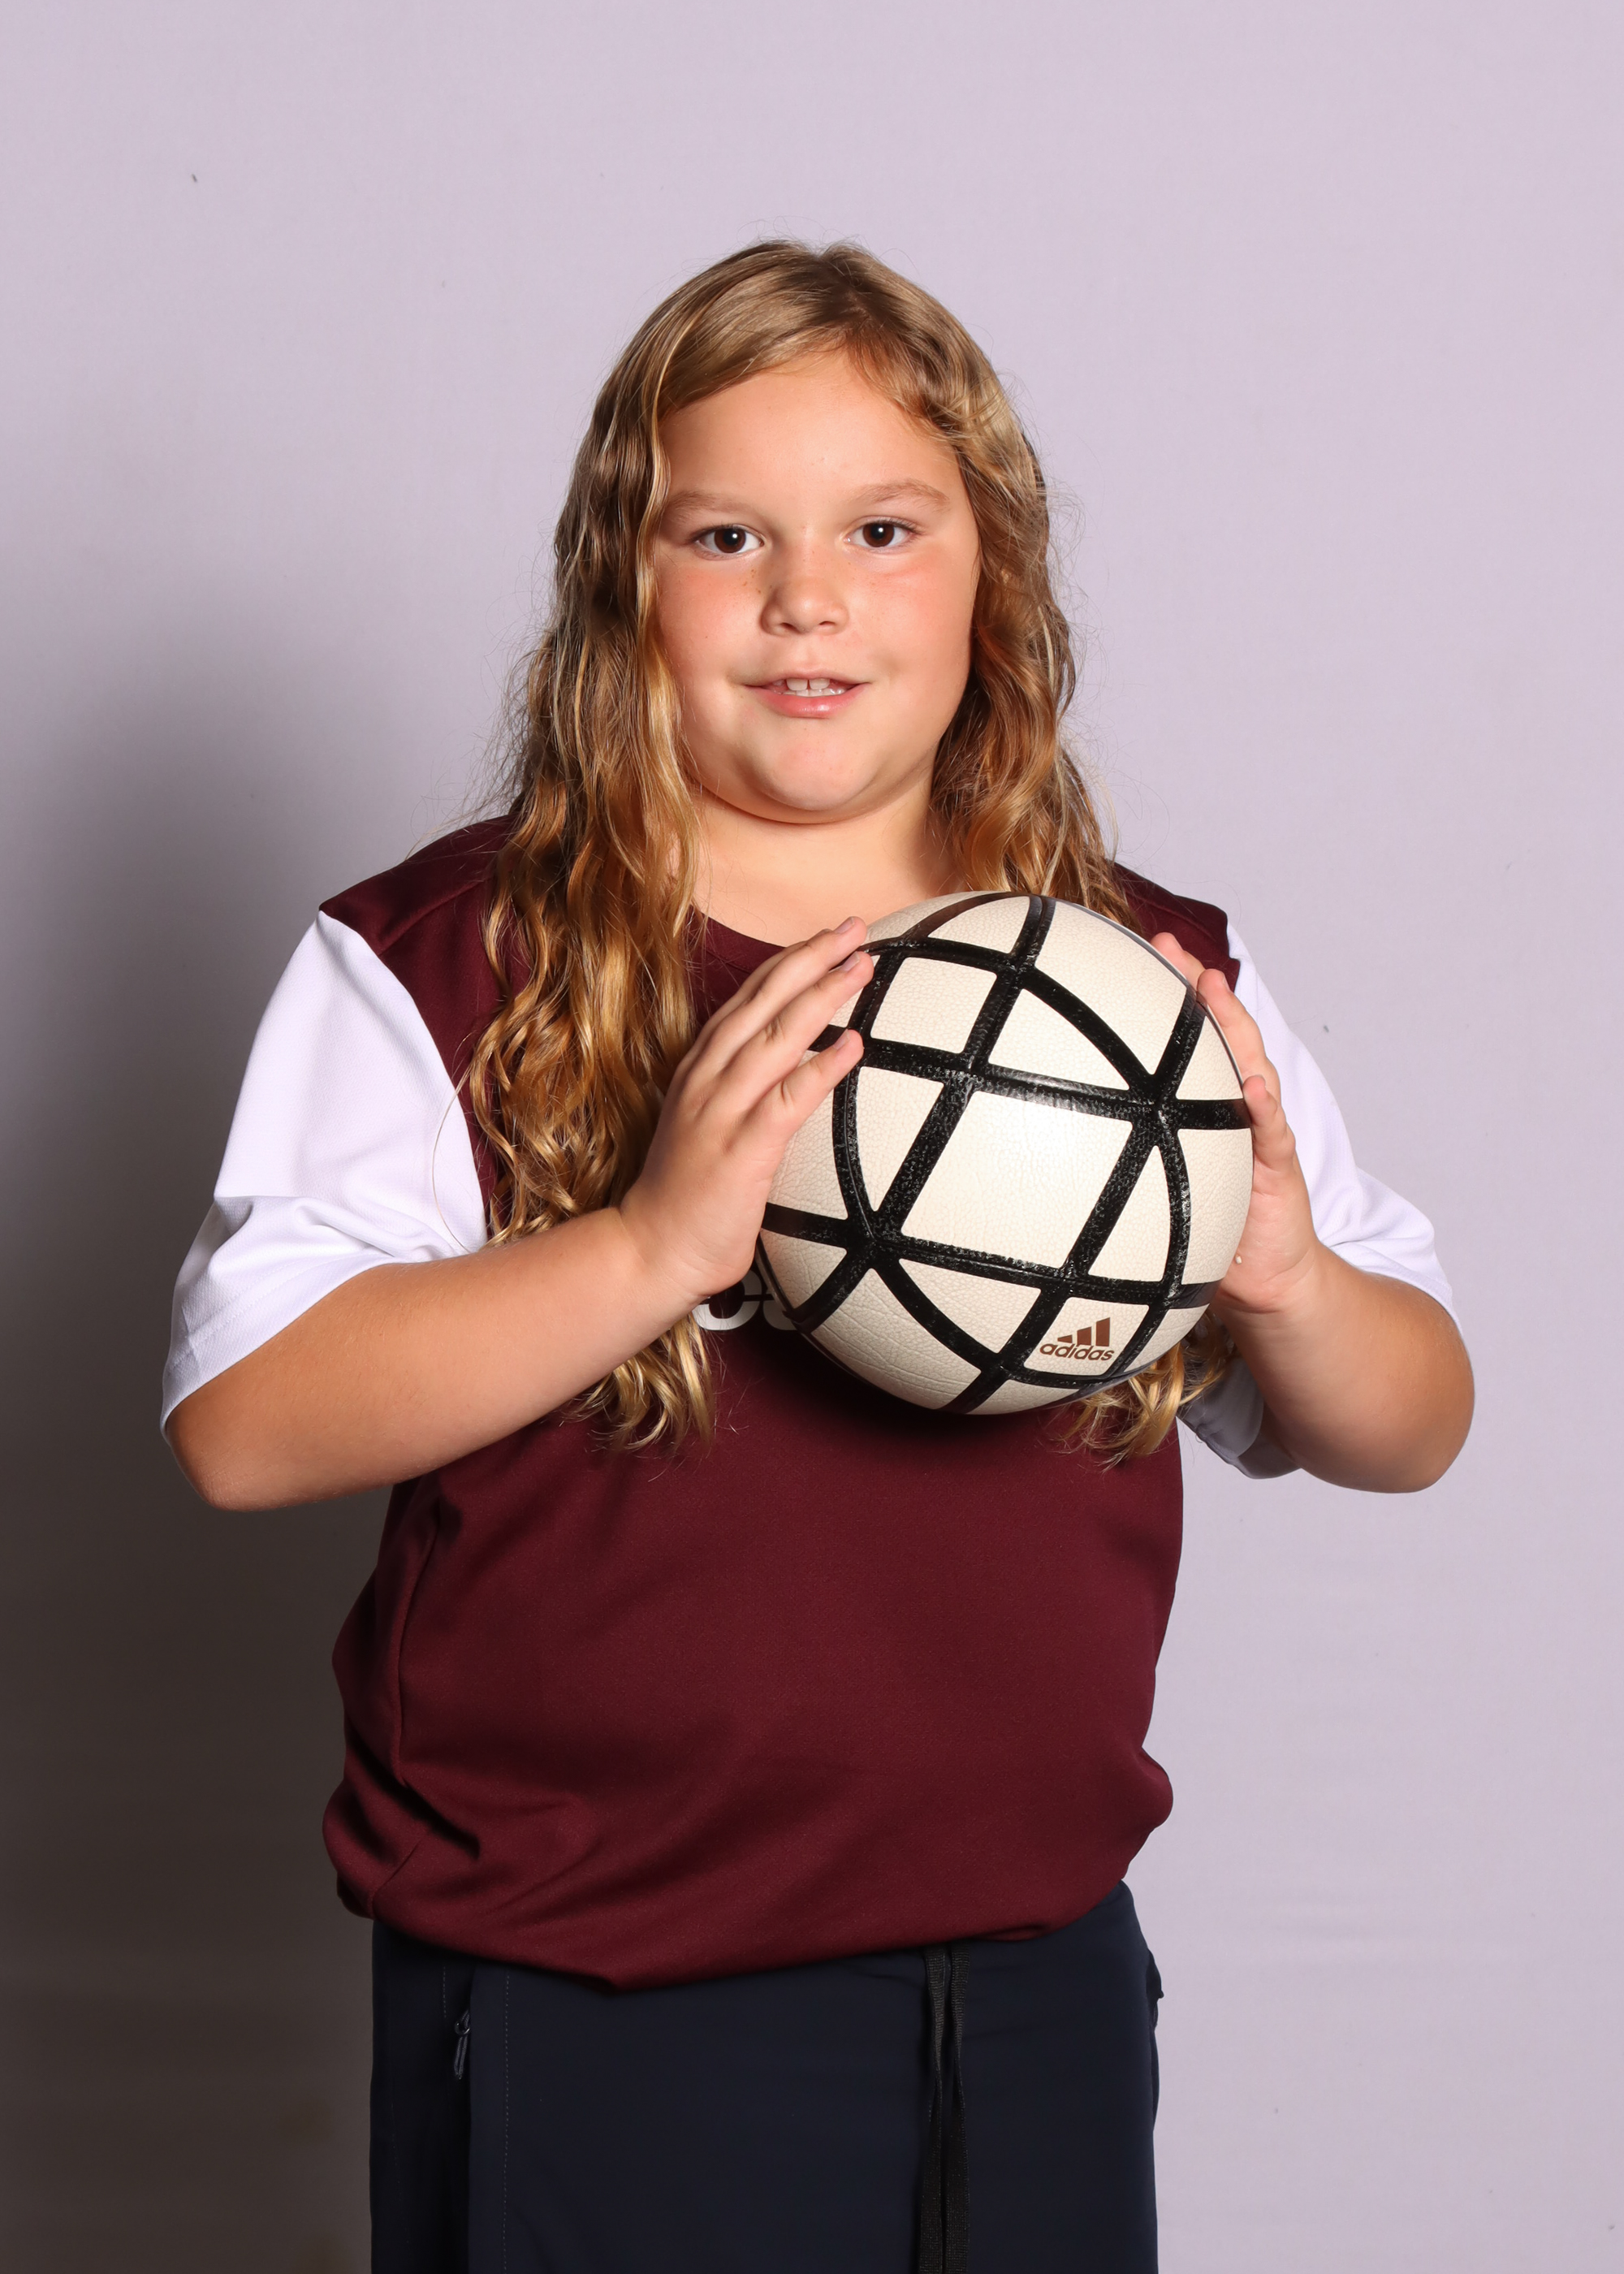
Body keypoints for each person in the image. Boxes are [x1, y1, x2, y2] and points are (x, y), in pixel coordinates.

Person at [163, 241, 1473, 2273]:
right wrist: (651, 1241)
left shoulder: (1139, 990)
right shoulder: (447, 962)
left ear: (991, 577)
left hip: (1033, 1976)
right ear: (621, 583)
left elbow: (1409, 1424)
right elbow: (246, 1427)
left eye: (882, 527)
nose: (807, 596)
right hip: (598, 1985)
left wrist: (1287, 1274)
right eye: (724, 535)